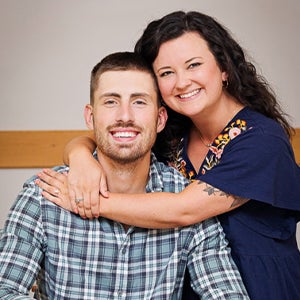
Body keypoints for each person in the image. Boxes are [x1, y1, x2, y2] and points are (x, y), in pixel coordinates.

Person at [38, 11, 300, 300]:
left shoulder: (261, 140)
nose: (181, 82)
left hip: (259, 287)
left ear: (224, 68)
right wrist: (80, 157)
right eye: (166, 73)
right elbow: (108, 138)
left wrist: (86, 201)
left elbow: (183, 209)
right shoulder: (174, 135)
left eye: (194, 65)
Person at [0, 52, 249, 299]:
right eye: (111, 102)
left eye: (139, 102)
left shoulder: (189, 200)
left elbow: (227, 294)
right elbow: (5, 290)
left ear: (160, 118)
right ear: (90, 116)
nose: (125, 116)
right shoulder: (45, 194)